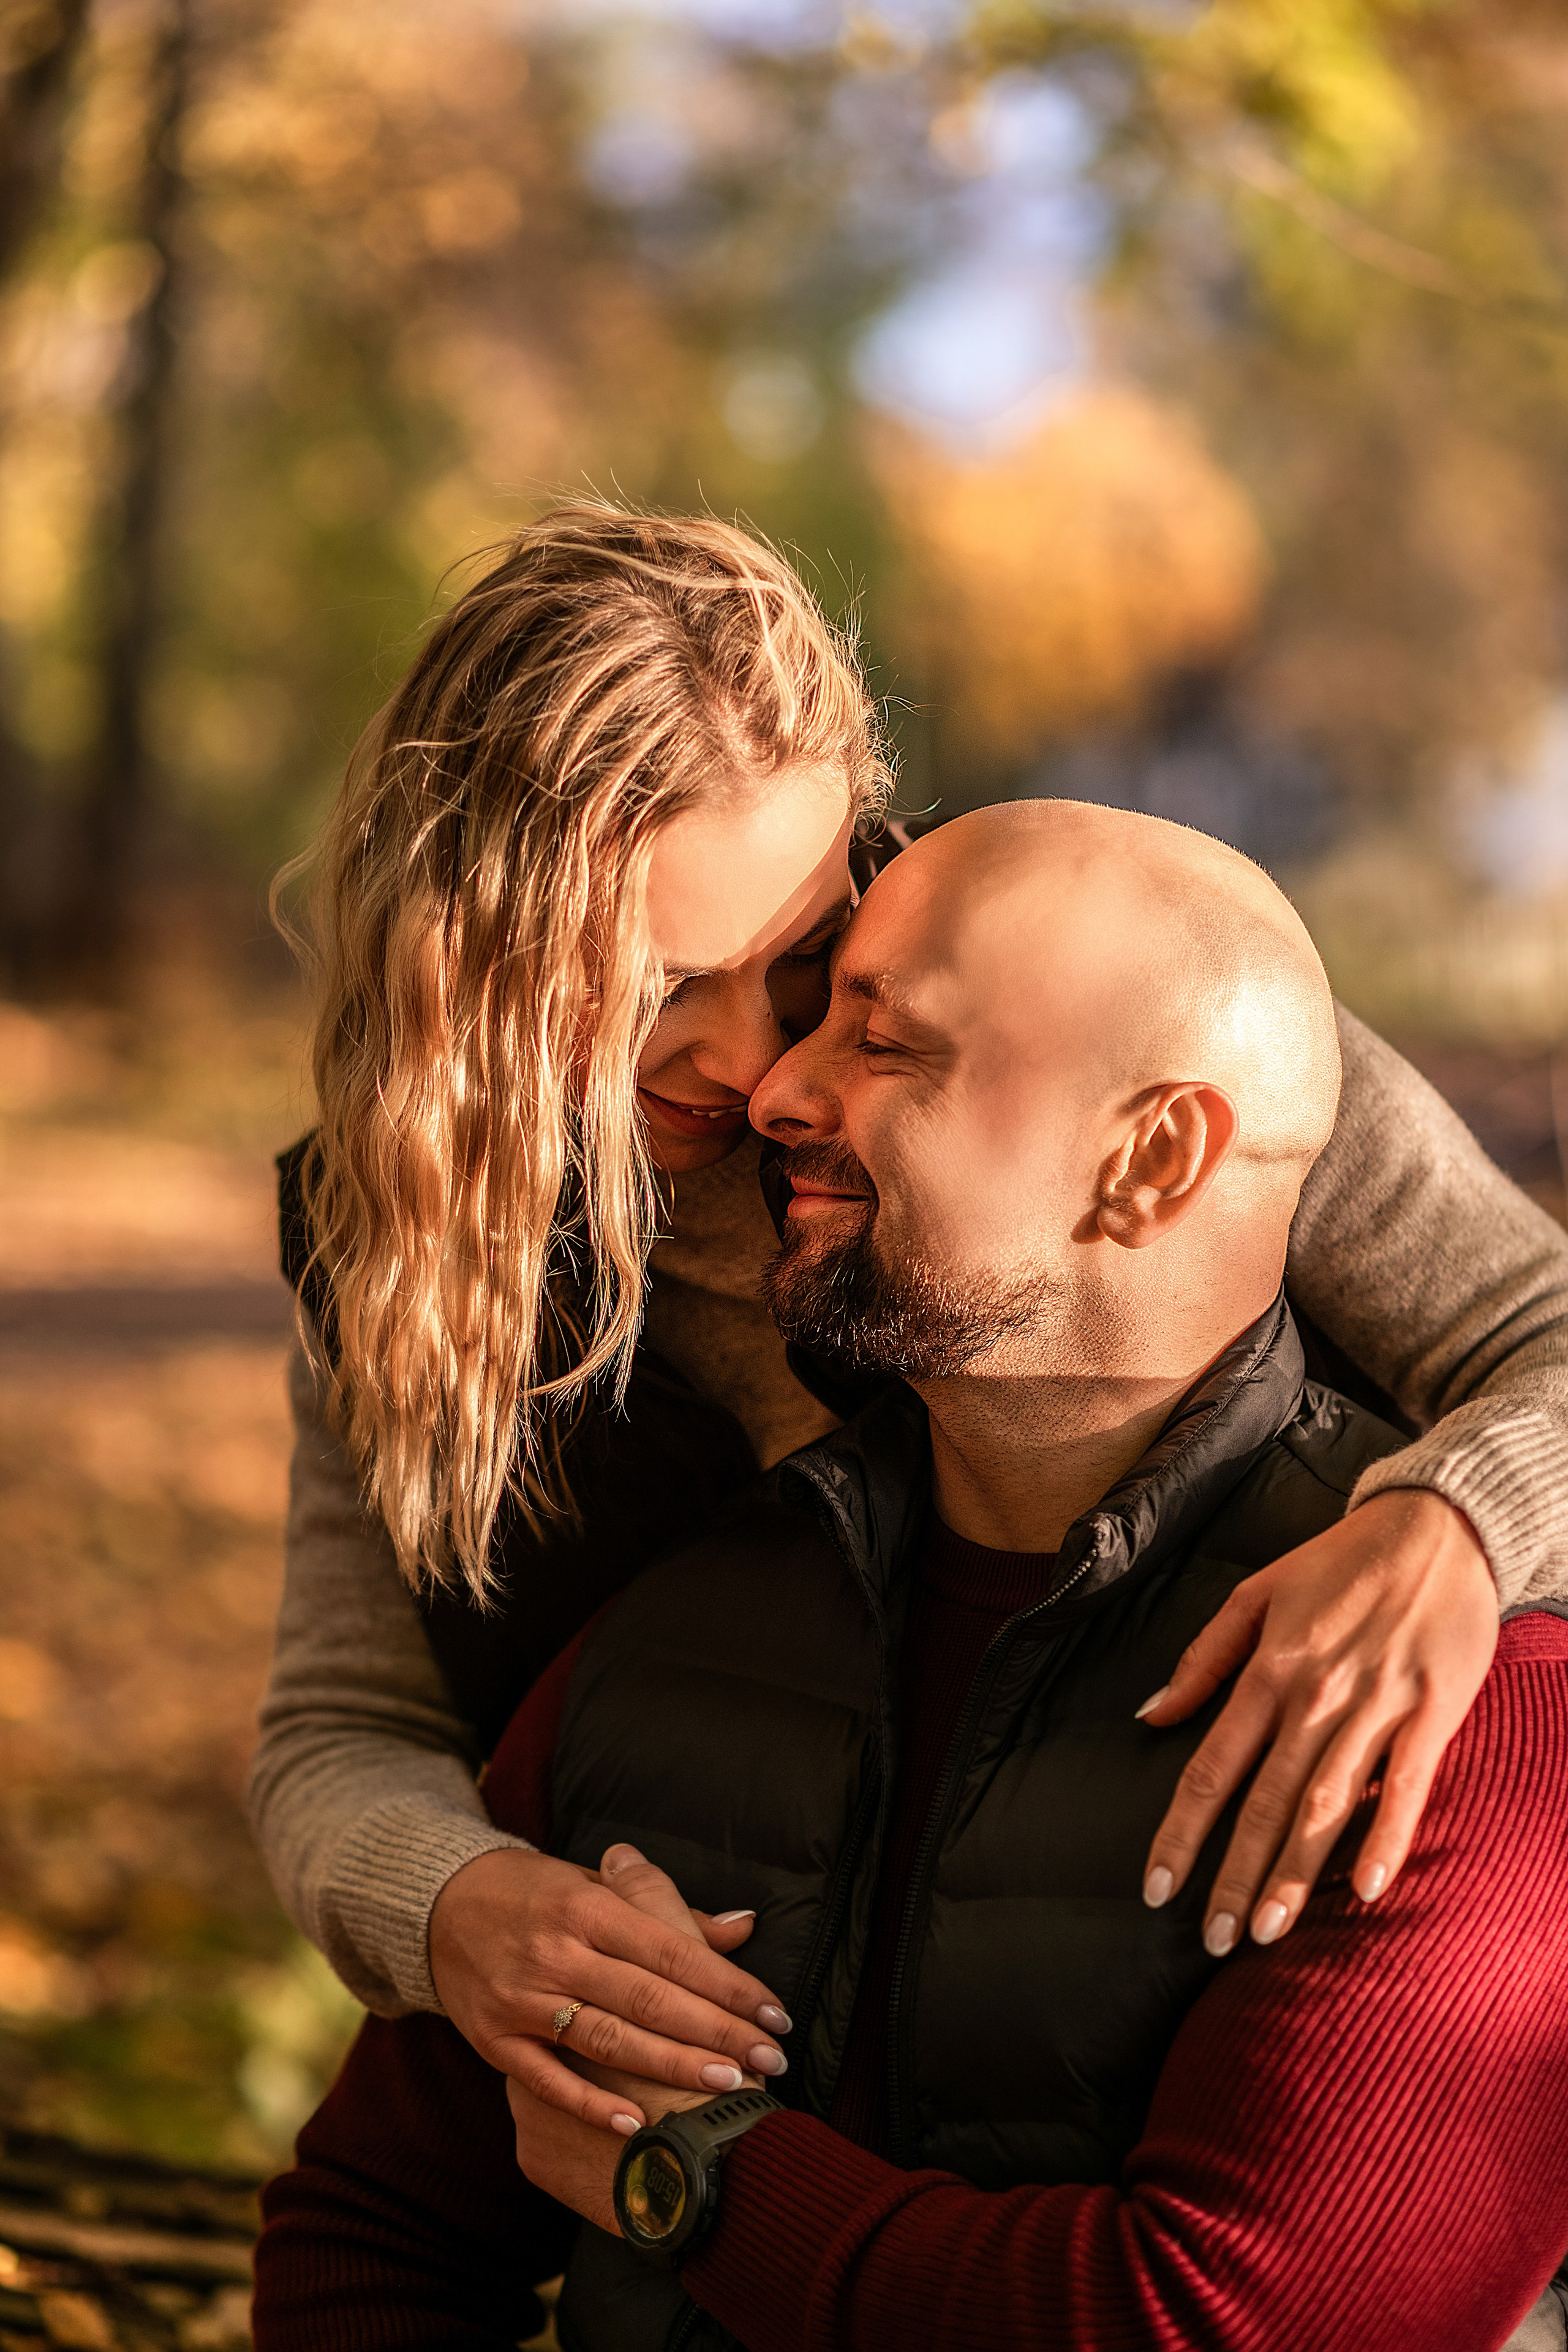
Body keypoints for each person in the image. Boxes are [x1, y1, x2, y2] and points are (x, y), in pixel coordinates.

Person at [255, 500, 1568, 2135]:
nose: (750, 1066)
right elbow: (343, 1724)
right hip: (744, 2089)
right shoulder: (389, 1218)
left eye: (799, 963)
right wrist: (448, 1906)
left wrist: (1459, 1523)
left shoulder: (1093, 1007)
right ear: (465, 951)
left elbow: (1546, 1337)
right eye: (647, 989)